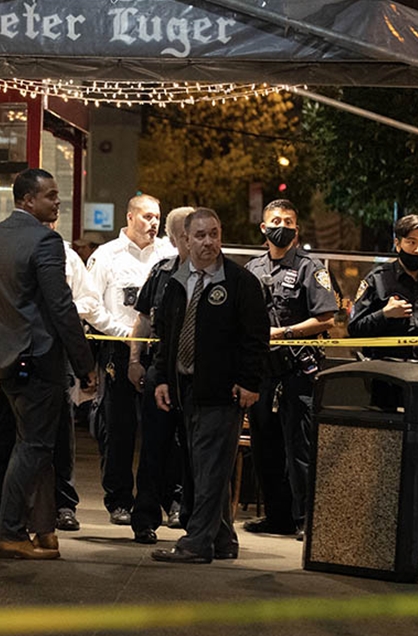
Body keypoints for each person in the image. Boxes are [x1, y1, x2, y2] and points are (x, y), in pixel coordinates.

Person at [0, 168, 97, 560]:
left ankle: (43, 530)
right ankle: (10, 532)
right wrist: (85, 363)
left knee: (35, 444)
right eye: (50, 196)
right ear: (28, 200)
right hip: (37, 358)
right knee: (34, 446)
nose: (57, 202)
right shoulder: (45, 241)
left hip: (2, 358)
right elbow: (61, 307)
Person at [0, 221, 125, 533]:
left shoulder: (63, 253)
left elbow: (88, 301)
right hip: (12, 353)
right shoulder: (3, 249)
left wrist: (61, 317)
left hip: (51, 354)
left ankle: (63, 505)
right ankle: (6, 510)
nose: (49, 221)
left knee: (59, 435)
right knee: (8, 436)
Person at [150, 207, 268, 564]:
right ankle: (222, 538)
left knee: (211, 467)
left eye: (213, 234)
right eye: (200, 235)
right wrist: (162, 379)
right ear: (185, 240)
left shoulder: (239, 282)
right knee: (205, 467)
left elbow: (255, 338)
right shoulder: (175, 281)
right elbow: (165, 337)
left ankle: (197, 542)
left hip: (223, 391)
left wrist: (249, 382)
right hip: (186, 388)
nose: (208, 242)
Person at [243, 199, 337, 541]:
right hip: (263, 371)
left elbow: (326, 318)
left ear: (296, 230)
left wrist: (283, 333)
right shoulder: (252, 269)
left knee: (300, 448)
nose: (281, 225)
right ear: (263, 229)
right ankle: (277, 516)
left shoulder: (313, 268)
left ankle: (306, 519)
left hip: (299, 369)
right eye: (275, 220)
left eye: (288, 220)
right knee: (264, 445)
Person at [86, 194, 175, 526]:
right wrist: (123, 333)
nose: (153, 223)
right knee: (118, 429)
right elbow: (91, 305)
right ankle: (119, 500)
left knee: (161, 429)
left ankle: (164, 498)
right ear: (130, 217)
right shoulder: (106, 256)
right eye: (147, 216)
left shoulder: (168, 256)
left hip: (157, 352)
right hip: (119, 349)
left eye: (157, 217)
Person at [127, 206, 193, 544]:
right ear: (175, 237)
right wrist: (134, 359)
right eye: (183, 233)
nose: (190, 239)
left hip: (196, 374)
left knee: (192, 449)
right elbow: (143, 320)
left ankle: (187, 513)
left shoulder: (213, 274)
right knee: (153, 446)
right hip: (161, 369)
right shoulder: (162, 272)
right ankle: (145, 518)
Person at [348, 214, 418, 367]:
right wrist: (384, 314)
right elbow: (355, 329)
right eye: (411, 242)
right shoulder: (377, 280)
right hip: (387, 375)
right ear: (398, 244)